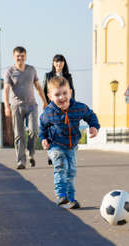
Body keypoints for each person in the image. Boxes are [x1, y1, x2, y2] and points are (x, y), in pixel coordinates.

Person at [39, 76, 99, 209]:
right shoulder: (48, 113)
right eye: (57, 95)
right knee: (61, 166)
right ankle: (61, 195)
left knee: (71, 171)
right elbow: (42, 126)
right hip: (55, 145)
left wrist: (94, 126)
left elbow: (90, 115)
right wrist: (43, 138)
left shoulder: (78, 108)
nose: (62, 97)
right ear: (50, 96)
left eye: (65, 93)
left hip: (72, 147)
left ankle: (71, 199)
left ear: (70, 92)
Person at [3, 46, 47, 170]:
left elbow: (38, 87)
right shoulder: (9, 72)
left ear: (25, 57)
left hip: (32, 105)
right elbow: (6, 90)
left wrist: (45, 102)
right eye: (18, 56)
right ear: (14, 57)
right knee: (19, 135)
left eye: (22, 56)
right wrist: (6, 105)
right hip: (16, 106)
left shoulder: (31, 70)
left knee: (34, 130)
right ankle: (21, 161)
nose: (20, 59)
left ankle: (30, 152)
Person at [43, 54, 76, 165]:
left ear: (64, 63)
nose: (59, 64)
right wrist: (45, 104)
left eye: (61, 61)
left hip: (65, 107)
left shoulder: (68, 76)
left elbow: (72, 91)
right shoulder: (48, 76)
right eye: (56, 61)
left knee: (62, 130)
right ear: (53, 63)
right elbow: (44, 91)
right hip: (52, 107)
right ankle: (51, 153)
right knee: (51, 130)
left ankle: (63, 153)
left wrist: (72, 105)